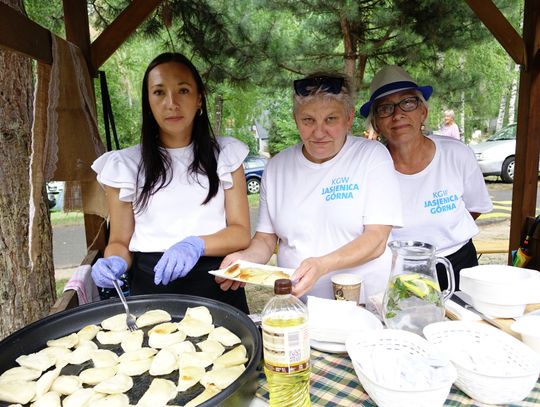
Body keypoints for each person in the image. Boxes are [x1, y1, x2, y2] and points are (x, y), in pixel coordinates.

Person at [217, 73, 403, 302]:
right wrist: (245, 260)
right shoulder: (277, 167)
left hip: (364, 305)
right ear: (296, 119)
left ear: (349, 117)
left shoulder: (372, 157)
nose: (319, 132)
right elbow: (266, 239)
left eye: (331, 119)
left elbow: (376, 240)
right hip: (299, 306)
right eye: (308, 120)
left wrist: (322, 265)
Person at [90, 52, 251, 312]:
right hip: (150, 295)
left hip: (218, 291)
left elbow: (240, 232)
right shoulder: (124, 165)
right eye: (159, 92)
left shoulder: (227, 155)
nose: (171, 103)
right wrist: (114, 262)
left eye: (183, 90)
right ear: (148, 102)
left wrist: (195, 245)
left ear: (199, 99)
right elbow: (120, 241)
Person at [360, 65, 493, 290]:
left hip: (457, 265)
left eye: (408, 102)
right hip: (395, 272)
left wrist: (444, 234)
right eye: (385, 108)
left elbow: (474, 207)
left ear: (423, 111)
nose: (398, 114)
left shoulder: (457, 154)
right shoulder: (368, 167)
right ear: (376, 123)